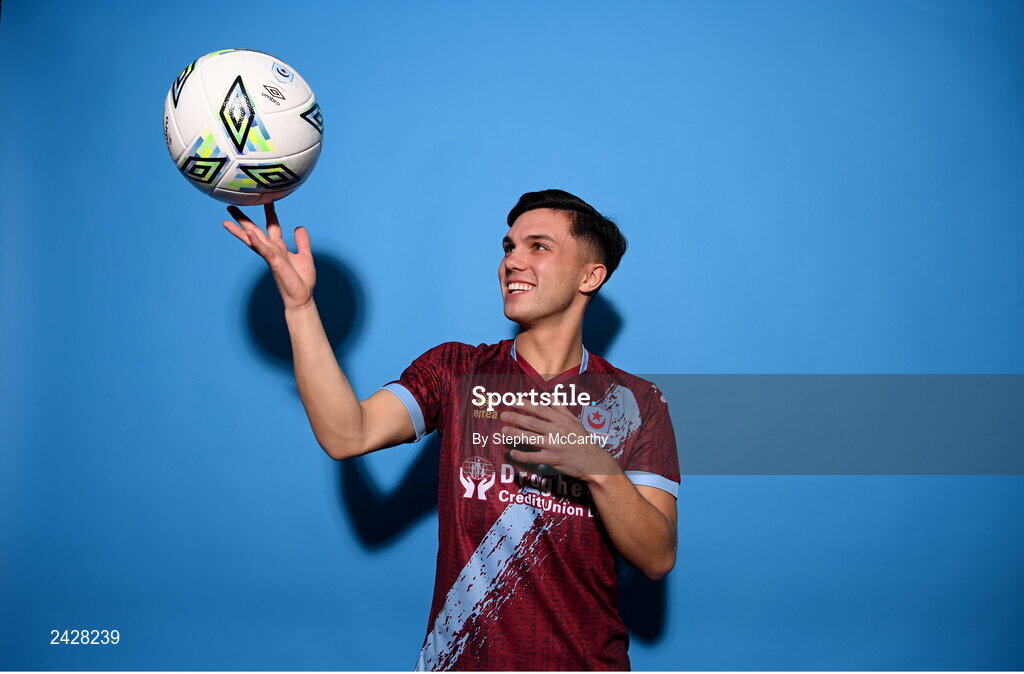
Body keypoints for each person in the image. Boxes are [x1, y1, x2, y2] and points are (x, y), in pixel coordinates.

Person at [223, 189, 680, 671]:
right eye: (509, 248)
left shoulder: (636, 402)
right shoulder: (456, 371)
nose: (512, 262)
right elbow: (347, 434)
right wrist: (300, 307)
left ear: (592, 275)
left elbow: (656, 556)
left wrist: (596, 467)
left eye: (538, 247)